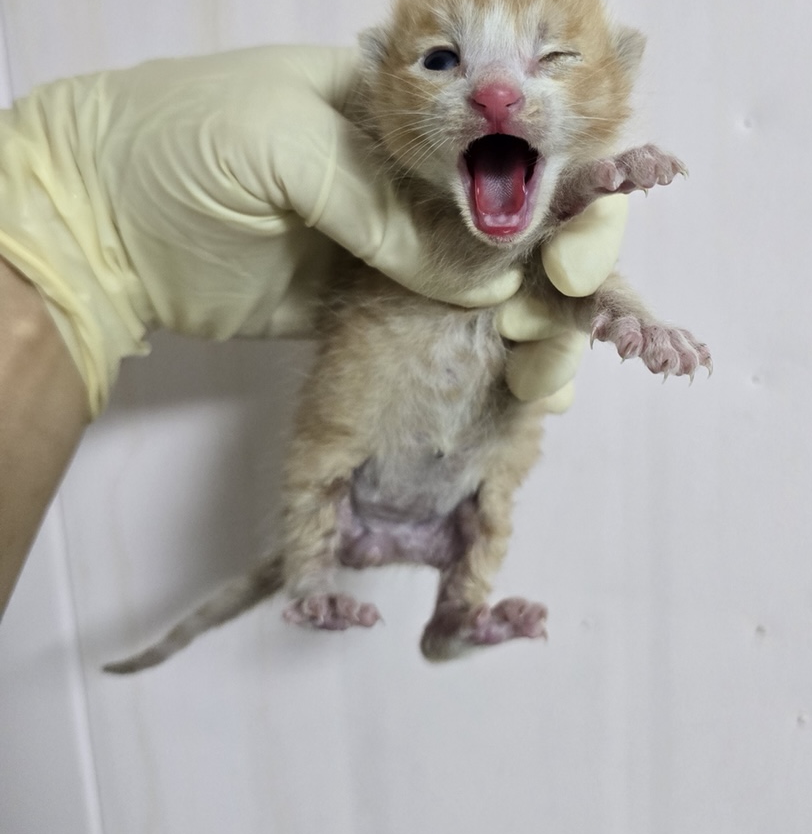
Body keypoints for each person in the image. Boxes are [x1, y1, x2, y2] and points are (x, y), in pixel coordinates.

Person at [0, 47, 626, 616]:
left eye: (553, 59)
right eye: (441, 59)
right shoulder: (391, 167)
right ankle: (325, 588)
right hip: (362, 462)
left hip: (459, 470)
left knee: (493, 493)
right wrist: (83, 216)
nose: (496, 92)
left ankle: (455, 615)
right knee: (326, 466)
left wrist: (77, 240)